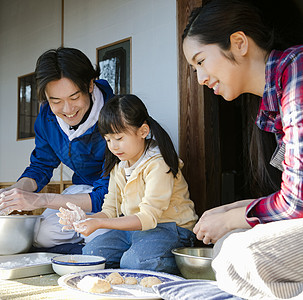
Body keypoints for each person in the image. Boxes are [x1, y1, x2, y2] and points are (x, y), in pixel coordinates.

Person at [182, 0, 303, 298]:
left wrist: (233, 217)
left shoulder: (297, 73)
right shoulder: (272, 101)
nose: (200, 78)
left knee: (240, 255)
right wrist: (231, 211)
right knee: (228, 245)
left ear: (238, 43)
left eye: (201, 61)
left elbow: (295, 203)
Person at [0, 47, 114, 253]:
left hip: (116, 196)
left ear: (90, 85)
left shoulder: (116, 115)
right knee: (41, 235)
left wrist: (39, 199)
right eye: (56, 101)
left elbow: (106, 195)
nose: (68, 110)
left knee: (98, 241)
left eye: (74, 97)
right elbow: (41, 165)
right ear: (46, 98)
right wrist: (14, 192)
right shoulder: (47, 118)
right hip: (81, 191)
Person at [57, 94, 197, 274]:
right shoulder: (120, 165)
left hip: (171, 229)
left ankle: (181, 264)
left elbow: (148, 217)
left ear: (143, 131)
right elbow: (110, 210)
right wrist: (85, 219)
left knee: (135, 263)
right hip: (134, 229)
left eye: (119, 138)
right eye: (108, 140)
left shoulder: (157, 163)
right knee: (91, 253)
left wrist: (99, 223)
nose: (113, 146)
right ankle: (131, 259)